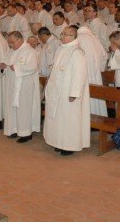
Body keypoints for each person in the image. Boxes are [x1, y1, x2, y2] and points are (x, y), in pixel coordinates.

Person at [43, 26, 91, 156]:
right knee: (58, 118)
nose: (62, 36)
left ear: (73, 37)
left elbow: (80, 74)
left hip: (68, 92)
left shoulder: (77, 52)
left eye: (66, 34)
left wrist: (74, 93)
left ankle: (69, 145)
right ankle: (59, 142)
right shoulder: (60, 49)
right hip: (56, 89)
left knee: (69, 119)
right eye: (62, 34)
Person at [1, 31, 41, 142]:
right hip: (11, 84)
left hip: (24, 85)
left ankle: (26, 133)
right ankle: (14, 129)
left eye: (12, 42)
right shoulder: (11, 51)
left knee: (24, 109)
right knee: (12, 107)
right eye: (9, 43)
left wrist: (17, 68)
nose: (10, 45)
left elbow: (33, 67)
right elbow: (6, 62)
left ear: (20, 40)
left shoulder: (29, 51)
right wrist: (3, 66)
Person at [76, 26, 108, 116]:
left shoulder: (78, 39)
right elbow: (104, 56)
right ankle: (98, 118)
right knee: (96, 97)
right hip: (95, 74)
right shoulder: (96, 39)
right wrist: (99, 69)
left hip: (83, 72)